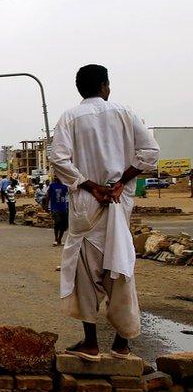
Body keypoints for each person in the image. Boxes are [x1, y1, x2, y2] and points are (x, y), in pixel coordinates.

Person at [49, 64, 160, 360]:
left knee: (85, 271)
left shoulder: (69, 117)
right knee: (120, 265)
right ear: (104, 86)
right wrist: (121, 182)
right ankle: (122, 344)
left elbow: (58, 158)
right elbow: (150, 153)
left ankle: (91, 343)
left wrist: (90, 185)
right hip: (118, 203)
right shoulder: (125, 112)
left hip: (87, 204)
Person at [45, 176, 70, 246]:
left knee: (63, 225)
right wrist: (46, 206)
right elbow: (48, 195)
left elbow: (69, 194)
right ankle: (56, 238)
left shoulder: (65, 185)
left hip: (63, 207)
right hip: (54, 207)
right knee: (57, 222)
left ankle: (60, 239)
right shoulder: (52, 185)